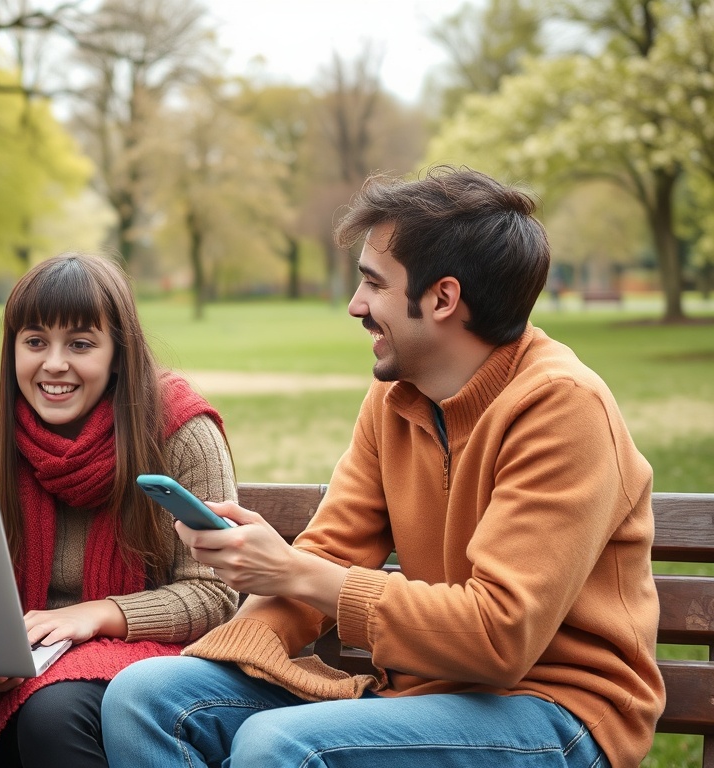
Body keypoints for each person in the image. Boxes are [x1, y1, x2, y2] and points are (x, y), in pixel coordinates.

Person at [100, 166, 666, 768]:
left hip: (558, 711)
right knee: (145, 698)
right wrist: (232, 647)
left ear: (443, 298)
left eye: (373, 284)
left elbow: (499, 638)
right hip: (418, 697)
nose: (355, 305)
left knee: (277, 747)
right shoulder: (399, 398)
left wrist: (290, 569)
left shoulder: (563, 406)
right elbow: (334, 553)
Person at [0, 252, 237, 768]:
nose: (54, 364)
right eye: (35, 341)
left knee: (51, 713)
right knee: (27, 713)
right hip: (26, 667)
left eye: (80, 344)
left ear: (117, 355)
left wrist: (102, 615)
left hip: (153, 660)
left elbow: (216, 595)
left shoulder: (181, 434)